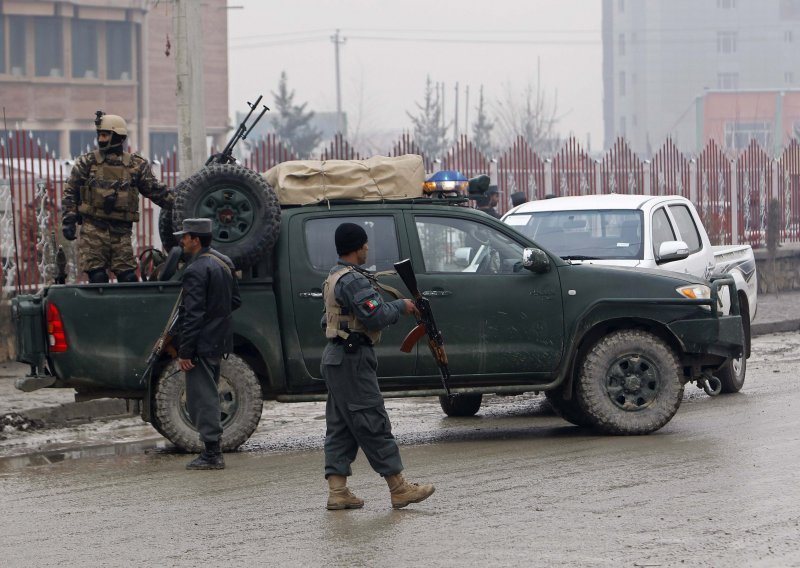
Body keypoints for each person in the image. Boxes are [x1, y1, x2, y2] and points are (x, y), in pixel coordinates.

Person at [321, 222, 435, 510]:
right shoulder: (353, 280)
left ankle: (338, 491)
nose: (367, 249)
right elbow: (375, 316)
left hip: (337, 358)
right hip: (352, 359)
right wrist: (401, 306)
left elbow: (328, 320)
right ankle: (398, 488)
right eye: (365, 244)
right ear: (358, 247)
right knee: (372, 420)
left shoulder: (335, 276)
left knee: (341, 426)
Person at [61, 111, 175, 283]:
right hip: (93, 230)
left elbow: (157, 192)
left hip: (121, 232)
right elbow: (71, 191)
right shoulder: (87, 162)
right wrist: (68, 219)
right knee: (97, 277)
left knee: (128, 278)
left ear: (118, 137)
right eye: (99, 135)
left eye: (105, 135)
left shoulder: (136, 165)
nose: (101, 139)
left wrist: (182, 202)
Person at [173, 218, 241, 470]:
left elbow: (192, 315)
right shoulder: (224, 262)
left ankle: (212, 453)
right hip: (219, 340)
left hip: (201, 344)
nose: (182, 240)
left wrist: (185, 351)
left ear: (196, 239)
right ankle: (212, 451)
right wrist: (216, 319)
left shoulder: (196, 270)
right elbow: (235, 300)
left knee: (202, 399)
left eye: (185, 236)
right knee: (208, 394)